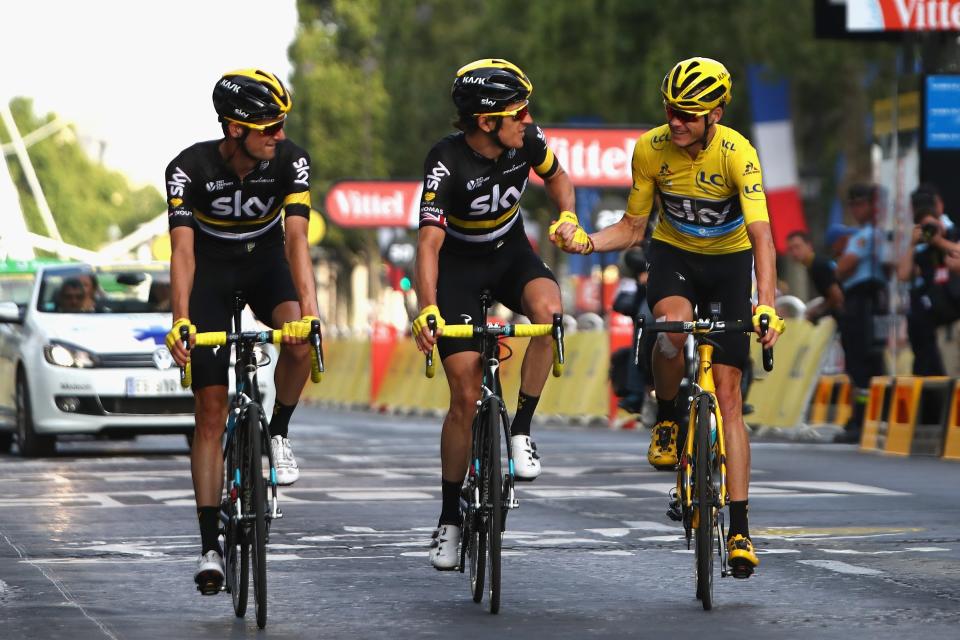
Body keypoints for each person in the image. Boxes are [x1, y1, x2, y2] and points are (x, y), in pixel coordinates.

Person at [552, 57, 784, 578]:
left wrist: (765, 302)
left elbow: (763, 235)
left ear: (716, 115)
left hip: (729, 264)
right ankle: (667, 419)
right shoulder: (650, 149)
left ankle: (741, 527)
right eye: (670, 110)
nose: (675, 121)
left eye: (688, 113)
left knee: (729, 398)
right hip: (674, 259)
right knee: (671, 332)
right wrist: (588, 241)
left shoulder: (738, 154)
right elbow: (634, 227)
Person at [411, 59, 574, 570]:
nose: (528, 119)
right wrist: (427, 310)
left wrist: (567, 214)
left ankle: (520, 429)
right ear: (486, 121)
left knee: (550, 316)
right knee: (463, 393)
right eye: (518, 112)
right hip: (458, 268)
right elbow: (429, 243)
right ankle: (449, 520)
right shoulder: (445, 161)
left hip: (509, 254)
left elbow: (560, 177)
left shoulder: (526, 140)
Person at [164, 69, 320, 594]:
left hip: (264, 263)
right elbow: (182, 251)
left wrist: (311, 311)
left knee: (300, 337)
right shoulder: (188, 168)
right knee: (208, 411)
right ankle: (210, 546)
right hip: (210, 273)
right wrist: (180, 319)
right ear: (235, 129)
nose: (280, 134)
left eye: (281, 125)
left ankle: (277, 433)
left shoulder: (290, 161)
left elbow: (297, 240)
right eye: (269, 127)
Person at [834, 183, 890, 443]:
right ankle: (867, 416)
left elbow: (843, 268)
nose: (857, 209)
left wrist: (840, 258)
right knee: (868, 362)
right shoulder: (872, 234)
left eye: (861, 204)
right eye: (853, 204)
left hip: (861, 302)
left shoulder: (866, 236)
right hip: (872, 301)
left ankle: (861, 419)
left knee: (859, 362)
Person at [896, 184, 958, 375]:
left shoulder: (953, 234)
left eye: (932, 224)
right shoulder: (923, 252)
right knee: (943, 374)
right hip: (938, 323)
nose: (930, 230)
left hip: (957, 316)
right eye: (925, 227)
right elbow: (903, 275)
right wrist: (912, 244)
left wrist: (939, 241)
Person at [785, 230, 844, 324]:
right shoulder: (812, 265)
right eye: (790, 249)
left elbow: (837, 296)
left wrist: (817, 312)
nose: (794, 252)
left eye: (797, 247)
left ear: (809, 245)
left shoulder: (818, 265)